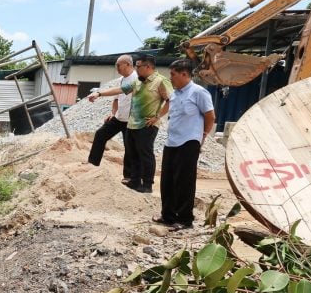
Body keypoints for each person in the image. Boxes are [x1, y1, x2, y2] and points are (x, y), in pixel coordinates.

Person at [89, 53, 171, 193]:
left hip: (147, 125)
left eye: (138, 66)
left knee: (145, 154)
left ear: (148, 66)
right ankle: (134, 181)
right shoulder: (137, 81)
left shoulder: (161, 81)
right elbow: (120, 90)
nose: (136, 69)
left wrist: (157, 117)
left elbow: (170, 100)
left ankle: (147, 184)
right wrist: (99, 93)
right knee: (132, 153)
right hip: (132, 123)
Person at [155, 58, 216, 230]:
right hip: (172, 141)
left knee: (184, 182)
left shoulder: (199, 92)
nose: (171, 78)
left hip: (189, 141)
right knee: (167, 181)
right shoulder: (175, 94)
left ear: (184, 74)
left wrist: (202, 135)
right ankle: (167, 216)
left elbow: (210, 116)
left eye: (173, 75)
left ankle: (184, 219)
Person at [86, 55, 136, 184]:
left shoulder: (136, 79)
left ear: (127, 64)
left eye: (118, 65)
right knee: (100, 134)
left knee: (129, 148)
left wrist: (99, 93)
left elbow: (119, 91)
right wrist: (113, 113)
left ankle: (129, 176)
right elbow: (116, 98)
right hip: (119, 117)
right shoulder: (121, 80)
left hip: (131, 120)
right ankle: (92, 164)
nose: (117, 68)